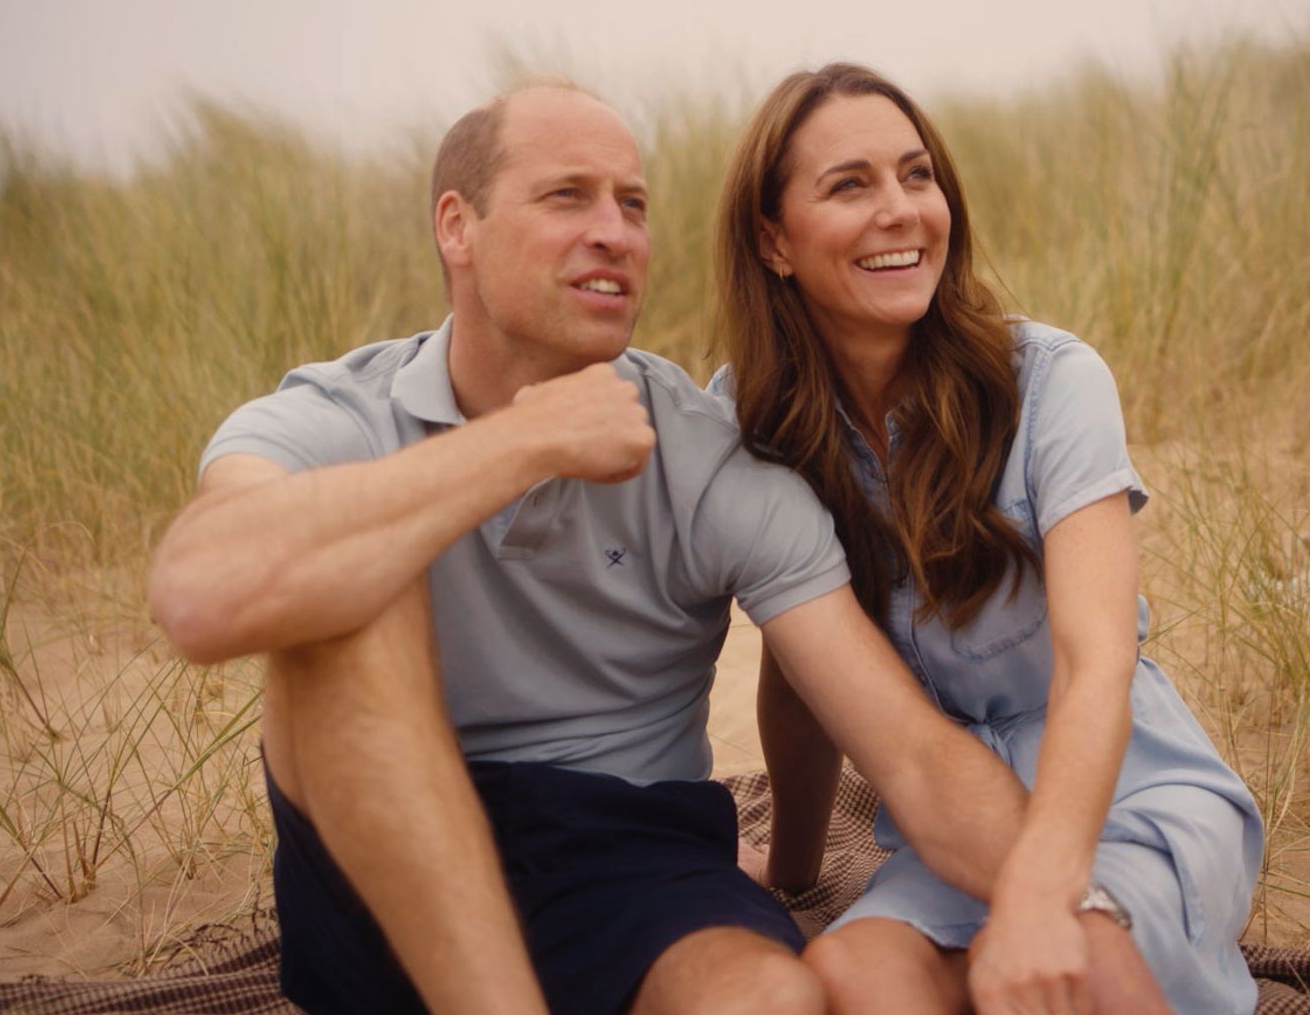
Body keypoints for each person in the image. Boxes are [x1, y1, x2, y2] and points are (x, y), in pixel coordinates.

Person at [146, 82, 1033, 1015]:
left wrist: (1079, 900)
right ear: (459, 226)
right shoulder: (339, 415)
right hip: (378, 848)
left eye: (635, 205)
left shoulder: (711, 460)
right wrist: (520, 444)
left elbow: (914, 757)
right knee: (351, 582)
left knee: (768, 1000)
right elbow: (202, 595)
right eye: (567, 196)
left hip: (626, 857)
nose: (614, 231)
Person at [710, 63, 1265, 1015]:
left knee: (1079, 960)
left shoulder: (1048, 379)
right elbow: (799, 668)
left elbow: (1096, 663)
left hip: (1120, 792)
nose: (901, 211)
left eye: (916, 176)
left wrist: (1045, 896)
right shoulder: (748, 422)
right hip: (944, 826)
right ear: (773, 239)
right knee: (847, 975)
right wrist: (796, 871)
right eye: (851, 185)